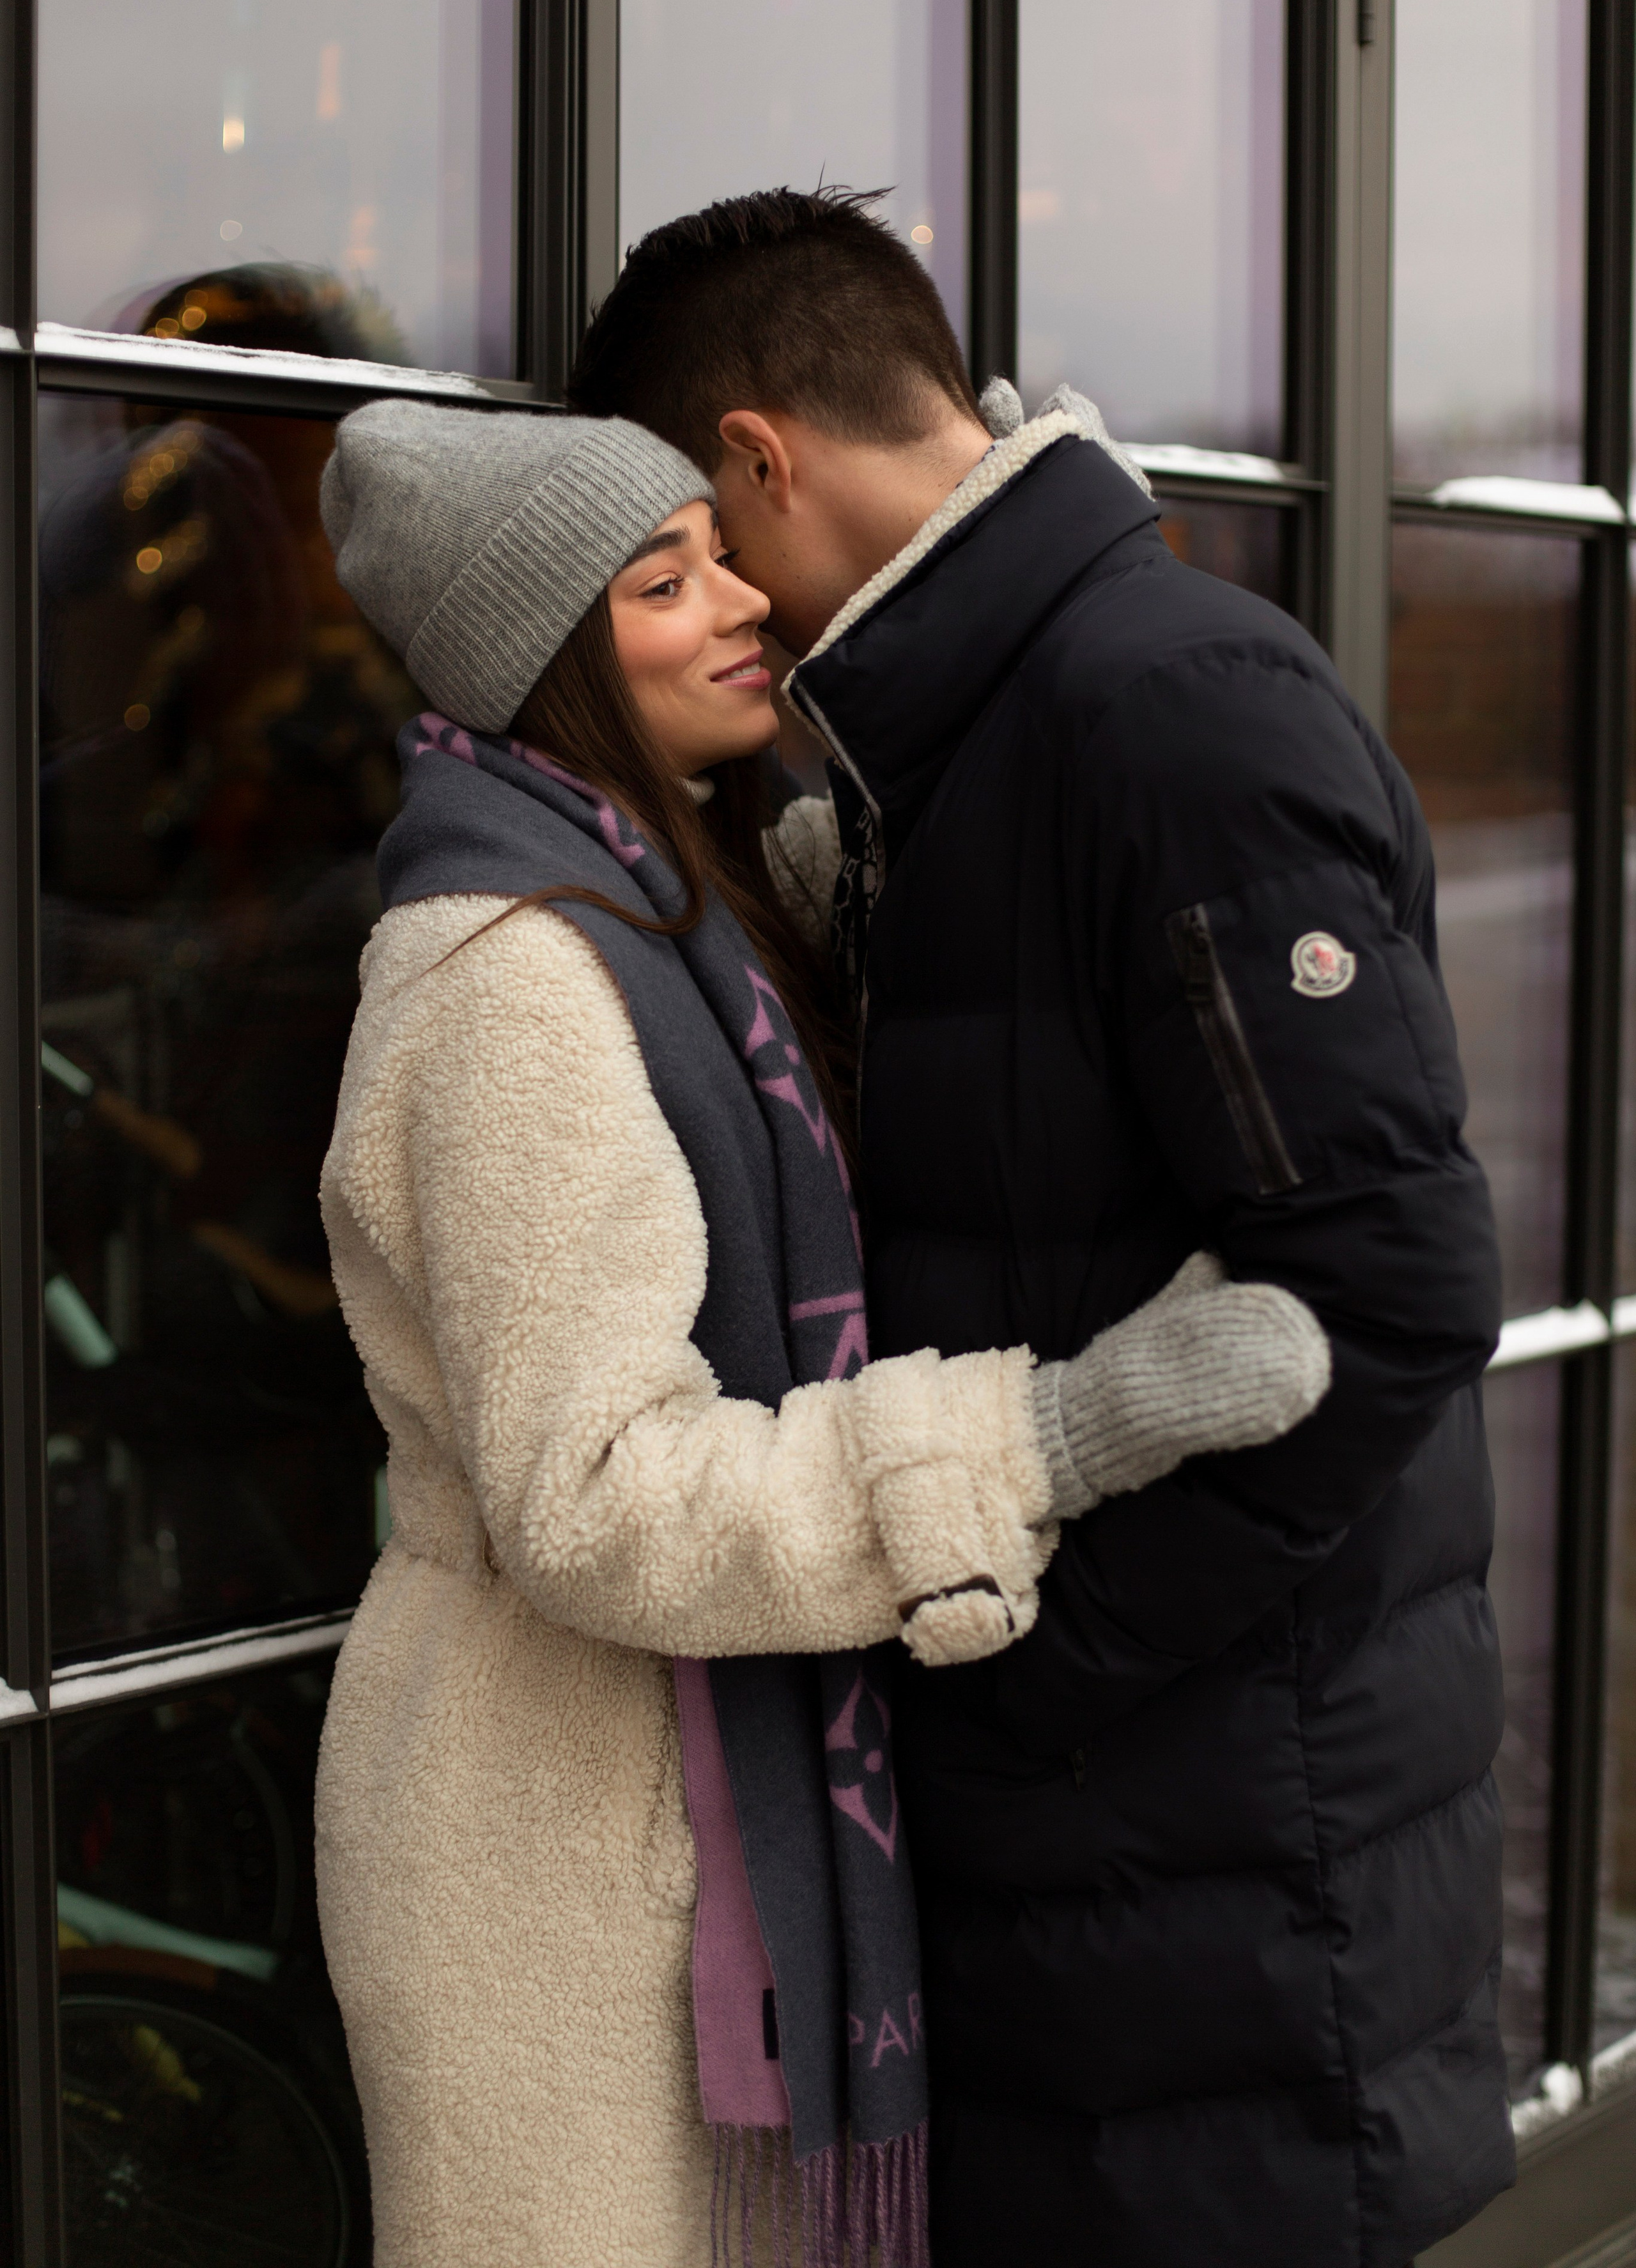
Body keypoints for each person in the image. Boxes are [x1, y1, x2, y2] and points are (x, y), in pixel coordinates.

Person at [568, 189, 1511, 2268]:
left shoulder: (1159, 714)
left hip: (1230, 1908)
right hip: (1141, 1903)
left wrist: (1028, 1685)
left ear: (757, 459)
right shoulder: (974, 732)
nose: (721, 603)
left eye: (701, 541)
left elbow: (1395, 1296)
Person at [310, 399, 1330, 2268]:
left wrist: (1004, 530)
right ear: (548, 664)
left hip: (663, 1801)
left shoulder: (688, 909)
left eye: (723, 550)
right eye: (662, 582)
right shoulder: (512, 981)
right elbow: (598, 1493)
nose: (742, 601)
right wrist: (1048, 1437)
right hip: (549, 1849)